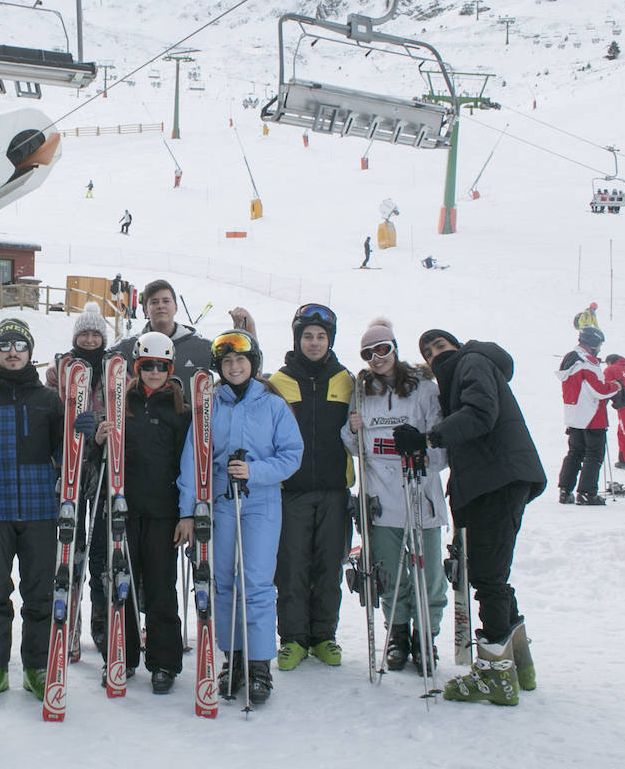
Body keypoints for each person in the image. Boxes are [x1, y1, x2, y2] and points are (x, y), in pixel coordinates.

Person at [418, 329, 545, 705]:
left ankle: (494, 676)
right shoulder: (462, 372)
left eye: (439, 345)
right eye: (427, 352)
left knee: (487, 577)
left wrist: (430, 436)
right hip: (495, 480)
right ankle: (518, 664)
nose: (434, 354)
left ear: (456, 345)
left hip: (497, 480)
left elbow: (479, 414)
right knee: (494, 574)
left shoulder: (472, 361)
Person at [176, 329, 302, 705]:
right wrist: (188, 509)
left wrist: (255, 471)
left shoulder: (273, 404)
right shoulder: (209, 404)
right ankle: (235, 658)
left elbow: (292, 454)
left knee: (257, 582)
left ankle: (260, 664)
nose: (234, 367)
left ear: (253, 363)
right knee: (223, 583)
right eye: (227, 361)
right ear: (219, 367)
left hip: (260, 501)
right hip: (219, 502)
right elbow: (191, 460)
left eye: (241, 360)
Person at [0, 318, 75, 705]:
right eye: (5, 346)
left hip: (40, 509)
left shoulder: (48, 401)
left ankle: (37, 667)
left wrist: (78, 432)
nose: (12, 352)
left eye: (19, 346)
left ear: (29, 352)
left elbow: (64, 453)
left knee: (39, 592)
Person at [342, 318, 448, 673]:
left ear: (395, 348)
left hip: (419, 491)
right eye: (369, 353)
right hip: (381, 497)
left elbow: (441, 446)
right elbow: (354, 446)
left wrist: (422, 451)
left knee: (430, 575)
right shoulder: (362, 390)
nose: (377, 357)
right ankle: (398, 633)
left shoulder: (423, 389)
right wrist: (351, 429)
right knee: (387, 573)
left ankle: (426, 637)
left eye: (382, 349)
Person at [94, 331, 192, 693]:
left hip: (163, 513)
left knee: (161, 588)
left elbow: (189, 465)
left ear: (169, 368)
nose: (153, 373)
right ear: (137, 366)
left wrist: (186, 515)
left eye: (161, 366)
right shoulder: (121, 401)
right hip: (124, 509)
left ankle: (164, 663)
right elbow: (96, 459)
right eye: (147, 365)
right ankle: (122, 654)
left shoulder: (180, 410)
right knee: (120, 585)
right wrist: (99, 438)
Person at [267, 302, 354, 671]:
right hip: (293, 490)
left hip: (335, 489)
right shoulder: (279, 381)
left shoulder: (347, 380)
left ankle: (323, 636)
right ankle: (292, 638)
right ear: (297, 339)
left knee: (329, 565)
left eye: (321, 337)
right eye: (308, 336)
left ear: (330, 340)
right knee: (291, 566)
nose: (315, 343)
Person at [44, 302, 111, 655]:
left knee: (99, 550)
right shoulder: (59, 371)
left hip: (102, 467)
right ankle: (68, 626)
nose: (88, 339)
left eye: (94, 332)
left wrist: (100, 427)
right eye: (83, 333)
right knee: (69, 548)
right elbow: (52, 414)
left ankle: (100, 624)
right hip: (68, 468)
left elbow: (121, 413)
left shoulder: (118, 370)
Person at [556, 327, 621, 506]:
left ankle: (565, 490)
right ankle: (586, 492)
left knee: (574, 453)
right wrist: (615, 386)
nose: (599, 348)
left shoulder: (570, 359)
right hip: (592, 416)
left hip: (573, 414)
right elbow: (599, 390)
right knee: (594, 455)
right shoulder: (588, 362)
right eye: (599, 344)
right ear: (593, 343)